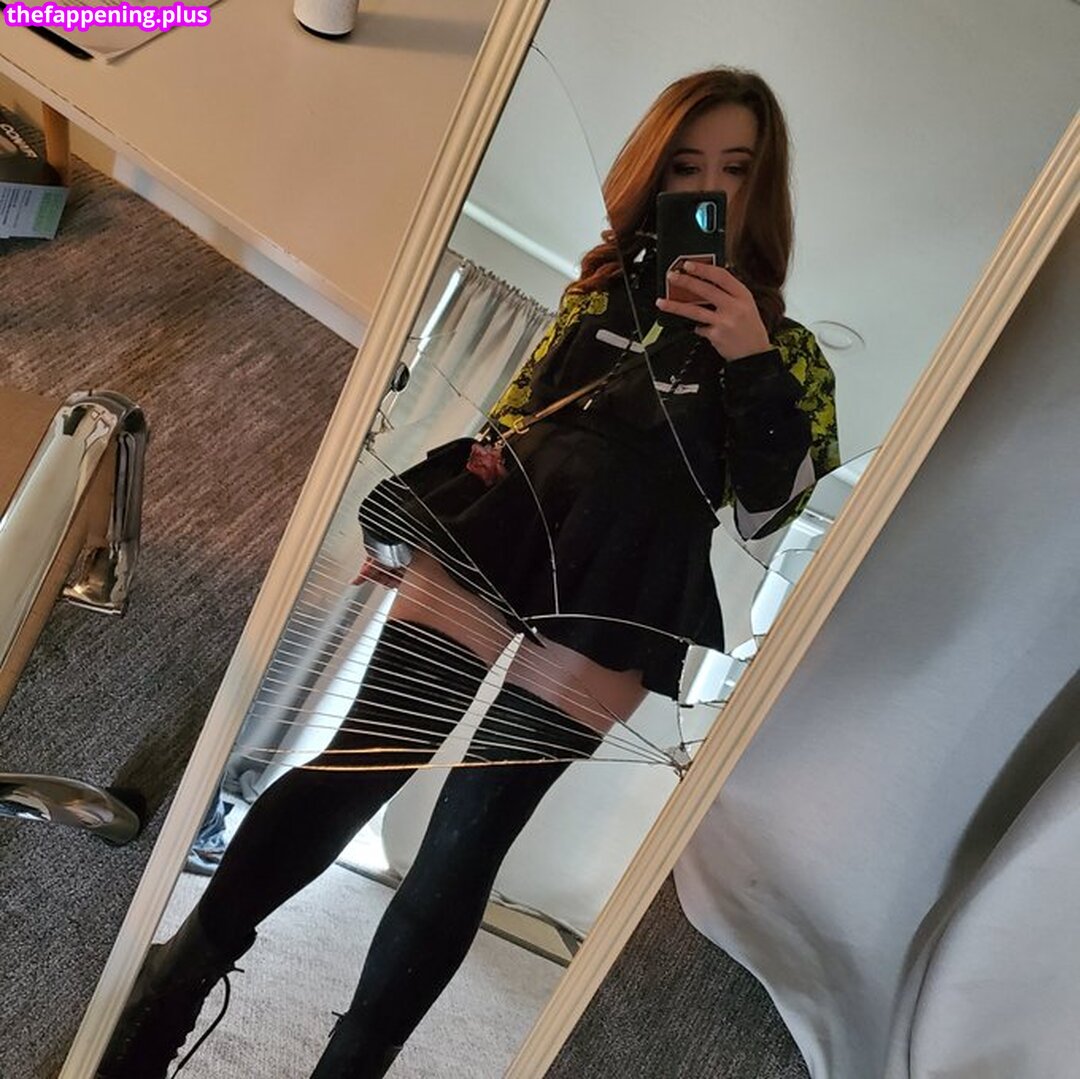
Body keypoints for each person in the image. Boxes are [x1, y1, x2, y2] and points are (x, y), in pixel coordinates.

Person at [97, 66, 839, 1079]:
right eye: (685, 165)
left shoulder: (792, 354)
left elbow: (768, 511)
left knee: (469, 834)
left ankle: (350, 1067)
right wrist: (446, 500)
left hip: (627, 583)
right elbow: (518, 416)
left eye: (736, 168)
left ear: (765, 186)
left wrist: (748, 354)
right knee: (365, 758)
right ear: (654, 173)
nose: (710, 186)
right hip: (501, 535)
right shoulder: (598, 294)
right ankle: (172, 984)